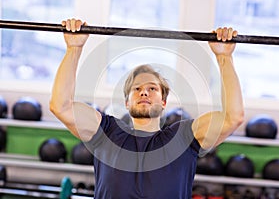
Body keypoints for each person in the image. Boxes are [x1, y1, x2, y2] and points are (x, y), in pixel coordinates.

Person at [50, 18, 244, 199]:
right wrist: (73, 49)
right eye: (137, 89)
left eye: (152, 88)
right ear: (127, 102)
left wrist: (224, 58)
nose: (144, 93)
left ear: (164, 102)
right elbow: (61, 106)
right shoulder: (107, 133)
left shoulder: (183, 137)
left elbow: (232, 117)